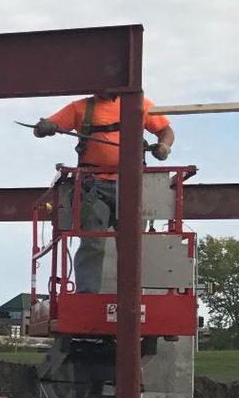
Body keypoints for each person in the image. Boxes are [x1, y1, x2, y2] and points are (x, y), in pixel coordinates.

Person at [33, 94, 175, 292]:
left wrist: (164, 147)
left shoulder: (139, 105)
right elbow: (45, 127)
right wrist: (44, 127)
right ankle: (87, 297)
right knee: (93, 242)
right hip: (93, 186)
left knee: (130, 245)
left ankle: (130, 296)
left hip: (130, 185)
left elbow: (165, 131)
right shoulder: (80, 108)